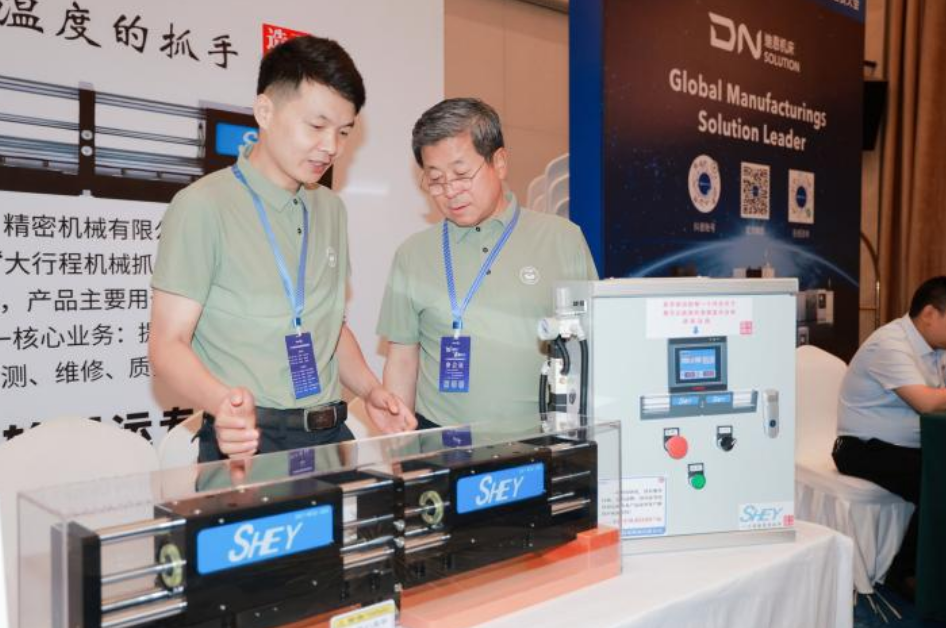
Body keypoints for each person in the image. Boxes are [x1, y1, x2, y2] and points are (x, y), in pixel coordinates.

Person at [150, 35, 414, 462]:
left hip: (330, 435)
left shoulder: (330, 209)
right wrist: (223, 406)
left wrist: (371, 391)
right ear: (265, 112)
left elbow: (329, 327)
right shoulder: (203, 205)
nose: (331, 147)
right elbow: (168, 343)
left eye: (344, 132)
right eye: (317, 126)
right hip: (250, 441)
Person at [377, 98, 598, 433]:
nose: (450, 191)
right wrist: (399, 444)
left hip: (539, 439)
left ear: (499, 162)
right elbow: (402, 359)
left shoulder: (562, 239)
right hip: (442, 441)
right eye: (436, 180)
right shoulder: (412, 255)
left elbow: (592, 346)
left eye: (462, 174)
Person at [834, 275, 946, 598]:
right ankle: (905, 573)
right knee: (938, 479)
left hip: (907, 447)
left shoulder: (936, 348)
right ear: (929, 314)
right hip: (860, 448)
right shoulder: (890, 343)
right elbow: (926, 402)